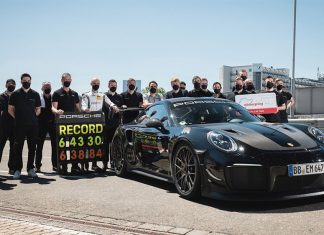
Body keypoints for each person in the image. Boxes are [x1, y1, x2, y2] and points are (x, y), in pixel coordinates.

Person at [81, 77, 119, 171]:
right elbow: (83, 105)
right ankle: (84, 166)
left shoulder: (102, 95)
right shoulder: (86, 95)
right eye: (94, 83)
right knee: (86, 144)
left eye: (98, 83)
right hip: (88, 122)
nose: (96, 85)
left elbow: (109, 103)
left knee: (96, 144)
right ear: (91, 83)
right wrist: (85, 109)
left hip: (99, 123)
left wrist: (114, 106)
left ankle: (94, 164)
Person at [8, 73, 41, 179]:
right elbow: (10, 109)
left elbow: (38, 109)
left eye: (28, 80)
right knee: (18, 148)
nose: (26, 82)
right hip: (19, 126)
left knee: (32, 148)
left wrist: (31, 117)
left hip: (33, 126)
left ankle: (30, 169)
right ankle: (17, 169)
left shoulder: (35, 94)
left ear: (31, 81)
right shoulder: (15, 94)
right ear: (21, 81)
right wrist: (18, 118)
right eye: (24, 80)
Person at [52, 73, 81, 174]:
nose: (67, 81)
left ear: (71, 80)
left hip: (73, 124)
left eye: (69, 79)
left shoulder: (75, 93)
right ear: (61, 80)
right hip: (61, 124)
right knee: (63, 146)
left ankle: (74, 166)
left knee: (74, 145)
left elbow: (78, 109)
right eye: (65, 79)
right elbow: (53, 108)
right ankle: (63, 167)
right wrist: (57, 111)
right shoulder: (56, 93)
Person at [103, 79, 124, 170]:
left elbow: (122, 107)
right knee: (105, 144)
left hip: (115, 124)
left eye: (115, 85)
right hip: (105, 123)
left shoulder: (119, 96)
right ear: (108, 86)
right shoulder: (103, 96)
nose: (113, 87)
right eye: (112, 85)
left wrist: (123, 106)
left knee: (114, 144)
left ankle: (113, 162)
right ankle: (104, 163)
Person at [35, 82, 56, 173]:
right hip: (41, 125)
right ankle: (37, 166)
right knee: (39, 146)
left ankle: (55, 165)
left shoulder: (54, 98)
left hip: (52, 124)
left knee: (54, 146)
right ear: (42, 88)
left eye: (49, 87)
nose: (47, 88)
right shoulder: (39, 98)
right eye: (45, 87)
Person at [0, 79, 16, 174]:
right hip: (3, 126)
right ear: (6, 85)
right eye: (9, 84)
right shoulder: (1, 97)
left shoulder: (16, 96)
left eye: (13, 84)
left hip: (14, 126)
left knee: (13, 148)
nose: (11, 85)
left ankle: (12, 168)